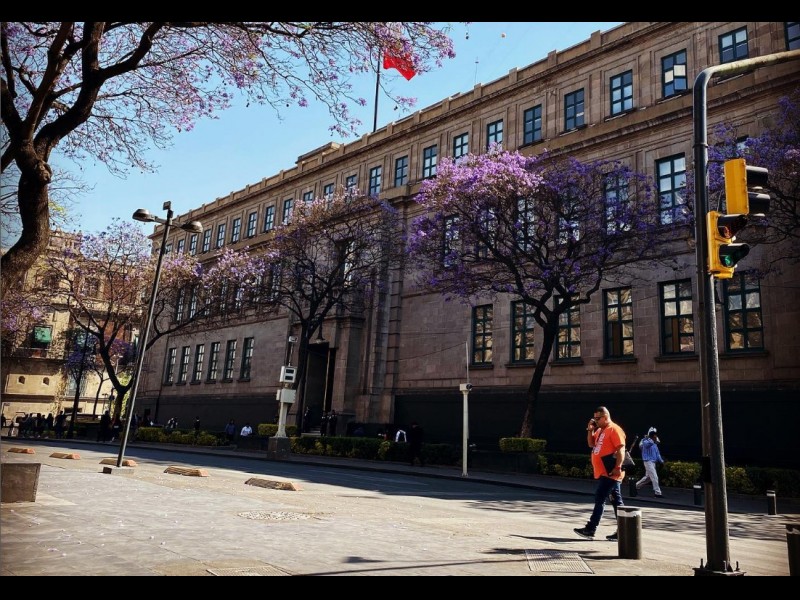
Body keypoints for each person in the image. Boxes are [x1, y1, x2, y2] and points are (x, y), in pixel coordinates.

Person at [574, 406, 626, 541]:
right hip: (605, 472)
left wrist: (618, 467)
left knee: (600, 497)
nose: (595, 421)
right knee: (616, 502)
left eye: (598, 418)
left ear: (605, 417)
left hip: (610, 472)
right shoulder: (600, 430)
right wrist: (590, 430)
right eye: (594, 418)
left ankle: (591, 528)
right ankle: (624, 531)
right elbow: (591, 444)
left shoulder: (614, 429)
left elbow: (621, 449)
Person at [636, 427, 665, 497]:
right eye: (653, 434)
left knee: (648, 478)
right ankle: (657, 493)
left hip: (653, 462)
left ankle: (635, 486)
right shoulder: (644, 440)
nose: (655, 435)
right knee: (654, 476)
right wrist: (652, 439)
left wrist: (661, 461)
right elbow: (644, 445)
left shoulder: (655, 443)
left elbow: (657, 453)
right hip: (647, 461)